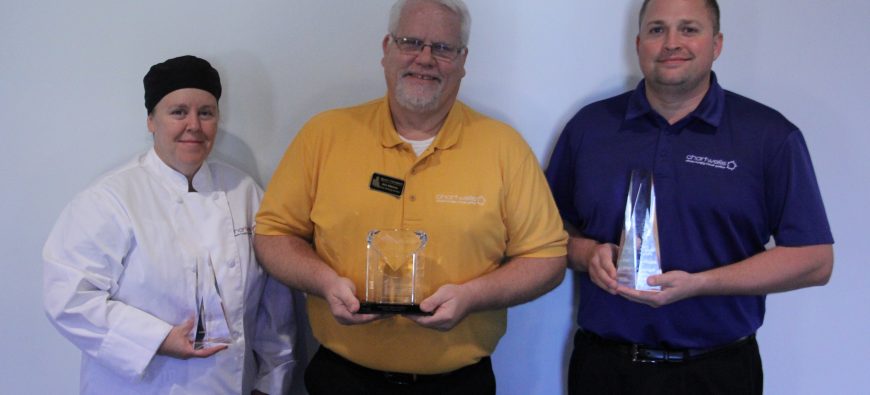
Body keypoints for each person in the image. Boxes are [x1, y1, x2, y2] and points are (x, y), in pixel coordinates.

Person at [253, 0, 568, 393]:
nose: (425, 58)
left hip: (458, 384)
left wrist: (473, 296)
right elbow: (272, 234)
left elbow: (548, 259)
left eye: (443, 47)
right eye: (411, 42)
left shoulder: (503, 147)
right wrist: (323, 281)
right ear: (387, 48)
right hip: (342, 378)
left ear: (463, 59)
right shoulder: (324, 136)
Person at [546, 0, 835, 394]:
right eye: (656, 30)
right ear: (638, 43)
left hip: (717, 371)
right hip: (604, 368)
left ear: (716, 44)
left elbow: (814, 260)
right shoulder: (589, 128)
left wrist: (701, 284)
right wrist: (586, 254)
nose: (671, 43)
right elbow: (544, 232)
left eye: (689, 29)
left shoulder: (769, 136)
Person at [43, 55, 297, 394]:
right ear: (151, 120)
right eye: (178, 112)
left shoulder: (245, 192)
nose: (194, 125)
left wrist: (272, 381)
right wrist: (157, 339)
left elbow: (273, 302)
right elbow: (68, 298)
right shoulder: (110, 199)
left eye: (205, 112)